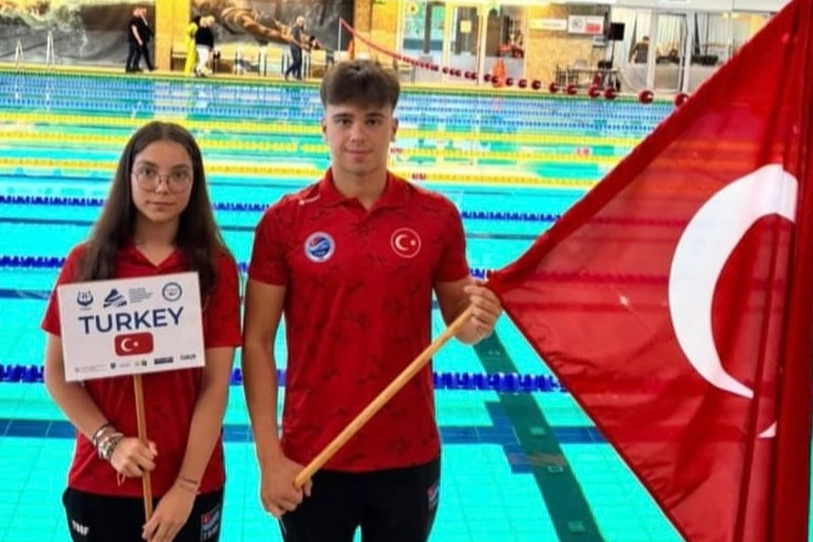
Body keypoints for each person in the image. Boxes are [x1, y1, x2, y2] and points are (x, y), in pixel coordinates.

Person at [241, 59, 503, 542]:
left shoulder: (436, 216)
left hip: (409, 451)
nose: (357, 135)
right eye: (344, 120)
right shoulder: (284, 222)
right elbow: (256, 341)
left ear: (393, 128)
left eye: (372, 120)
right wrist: (268, 456)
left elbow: (461, 324)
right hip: (311, 454)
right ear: (324, 127)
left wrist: (480, 319)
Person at [41, 121, 241, 542]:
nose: (162, 187)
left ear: (195, 182)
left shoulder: (215, 268)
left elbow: (215, 385)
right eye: (148, 172)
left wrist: (186, 486)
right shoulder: (86, 263)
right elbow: (57, 374)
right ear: (128, 176)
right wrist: (110, 442)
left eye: (178, 175)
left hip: (191, 482)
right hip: (102, 477)